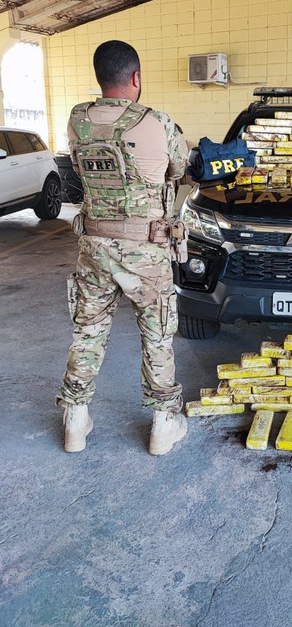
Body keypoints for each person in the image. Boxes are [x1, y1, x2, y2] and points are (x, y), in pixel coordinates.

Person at [56, 40, 189, 456]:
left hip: (93, 247)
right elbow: (180, 169)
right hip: (145, 251)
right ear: (136, 78)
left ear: (100, 77)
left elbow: (79, 168)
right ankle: (164, 425)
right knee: (157, 334)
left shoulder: (78, 119)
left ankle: (75, 418)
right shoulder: (158, 122)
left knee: (88, 331)